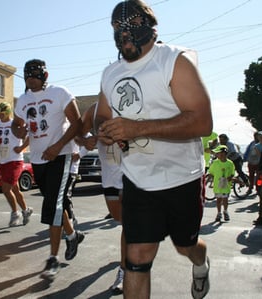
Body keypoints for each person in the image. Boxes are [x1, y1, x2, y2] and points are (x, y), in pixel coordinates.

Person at [95, 1, 212, 298]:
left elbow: (201, 121)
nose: (123, 32)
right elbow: (102, 114)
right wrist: (105, 131)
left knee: (185, 245)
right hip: (138, 180)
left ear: (151, 25)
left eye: (131, 24)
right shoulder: (110, 73)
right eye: (117, 28)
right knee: (136, 258)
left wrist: (138, 128)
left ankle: (201, 263)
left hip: (181, 177)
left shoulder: (174, 61)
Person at [11, 59, 84, 281]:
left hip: (60, 156)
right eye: (27, 74)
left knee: (52, 204)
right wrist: (18, 128)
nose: (30, 78)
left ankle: (53, 258)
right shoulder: (22, 100)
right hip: (38, 159)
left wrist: (57, 146)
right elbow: (16, 126)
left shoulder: (60, 93)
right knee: (55, 204)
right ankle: (71, 235)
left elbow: (77, 123)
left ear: (45, 75)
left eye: (34, 74)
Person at [77, 102, 126, 294]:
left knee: (129, 225)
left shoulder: (137, 100)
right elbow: (78, 132)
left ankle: (125, 269)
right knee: (119, 219)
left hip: (133, 172)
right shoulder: (94, 110)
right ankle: (131, 249)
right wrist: (85, 142)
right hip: (110, 176)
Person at [0, 102, 33, 227]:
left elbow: (29, 136)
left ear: (8, 113)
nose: (1, 116)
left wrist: (21, 148)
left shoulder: (15, 124)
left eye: (3, 113)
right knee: (15, 189)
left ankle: (15, 213)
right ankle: (26, 210)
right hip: (3, 161)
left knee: (6, 188)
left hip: (15, 160)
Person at [208, 145, 235, 222]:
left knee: (225, 199)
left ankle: (225, 211)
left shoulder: (230, 163)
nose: (217, 155)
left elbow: (233, 172)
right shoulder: (215, 163)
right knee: (218, 199)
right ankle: (219, 213)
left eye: (218, 153)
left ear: (224, 153)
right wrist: (208, 181)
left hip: (226, 185)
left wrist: (231, 177)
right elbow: (211, 173)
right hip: (217, 185)